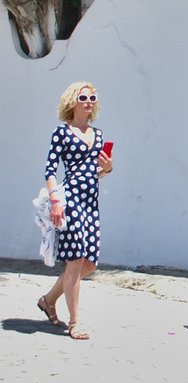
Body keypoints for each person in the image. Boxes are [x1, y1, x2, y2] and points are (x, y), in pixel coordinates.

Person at [37, 82, 113, 340]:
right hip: (70, 201)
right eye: (84, 97)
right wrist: (56, 201)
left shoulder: (98, 134)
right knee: (75, 260)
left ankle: (48, 300)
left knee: (89, 264)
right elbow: (50, 171)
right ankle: (75, 323)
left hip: (91, 203)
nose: (89, 101)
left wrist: (108, 168)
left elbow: (96, 172)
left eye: (92, 97)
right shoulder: (62, 132)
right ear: (73, 101)